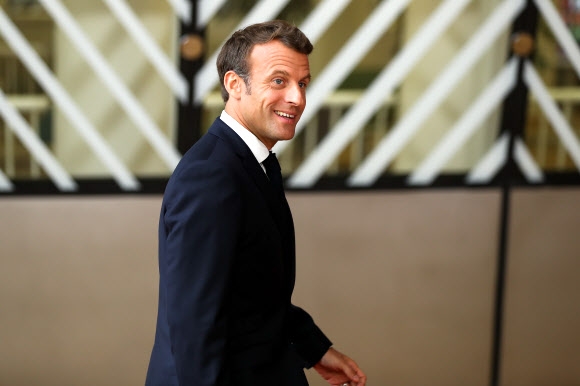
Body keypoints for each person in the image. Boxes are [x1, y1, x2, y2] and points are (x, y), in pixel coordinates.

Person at [145, 20, 366, 386]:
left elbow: (254, 294)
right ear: (234, 85)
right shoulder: (211, 176)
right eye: (279, 81)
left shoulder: (252, 162)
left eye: (302, 83)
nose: (297, 98)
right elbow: (196, 325)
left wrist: (313, 348)